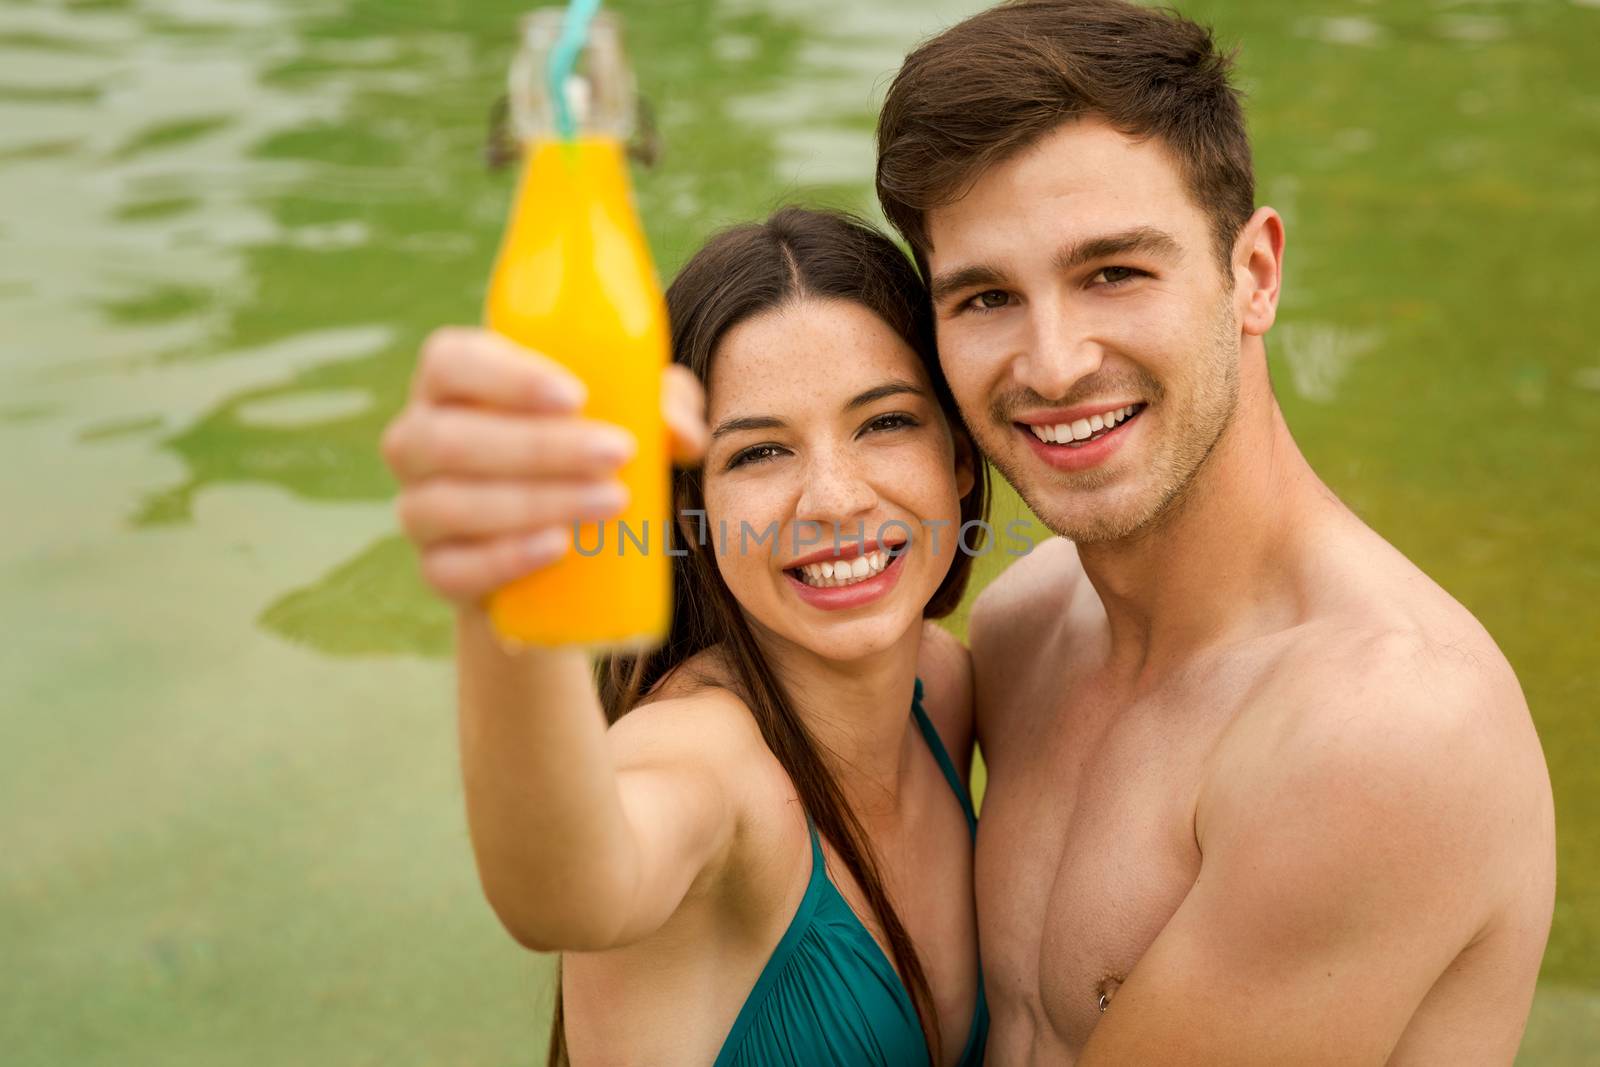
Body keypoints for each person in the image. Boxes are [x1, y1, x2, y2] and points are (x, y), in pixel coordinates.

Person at [869, 1, 1556, 1063]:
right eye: (986, 296)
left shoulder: (1382, 726)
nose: (1052, 364)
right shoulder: (1023, 626)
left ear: (1255, 273)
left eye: (1113, 273)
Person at [380, 208, 990, 1066]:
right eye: (757, 454)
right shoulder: (707, 759)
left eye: (885, 422)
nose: (834, 499)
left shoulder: (950, 688)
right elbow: (565, 892)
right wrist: (510, 583)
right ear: (691, 513)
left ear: (959, 456)